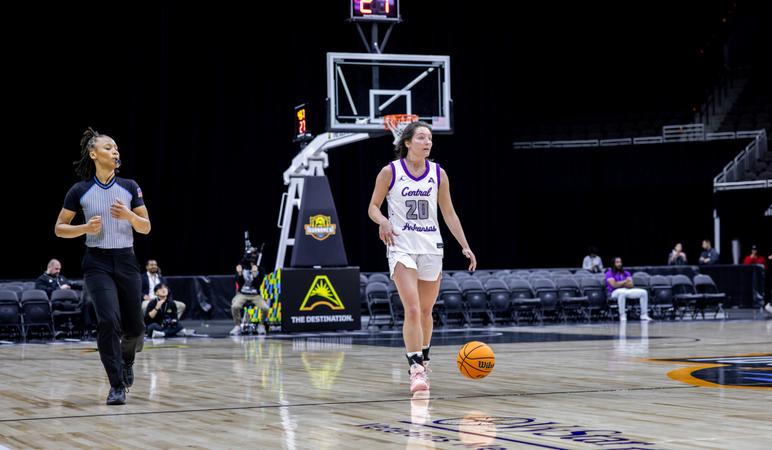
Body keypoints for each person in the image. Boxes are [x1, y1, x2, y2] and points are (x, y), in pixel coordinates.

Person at [367, 120, 477, 393]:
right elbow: (372, 207)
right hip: (401, 245)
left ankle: (424, 361)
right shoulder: (389, 172)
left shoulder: (438, 174)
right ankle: (415, 368)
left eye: (430, 139)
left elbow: (449, 213)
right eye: (421, 138)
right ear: (407, 142)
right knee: (413, 308)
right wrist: (383, 221)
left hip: (431, 245)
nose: (427, 142)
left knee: (427, 311)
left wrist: (465, 245)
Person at [54, 127, 151, 405]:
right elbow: (60, 228)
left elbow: (146, 227)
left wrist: (129, 215)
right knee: (108, 321)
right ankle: (116, 385)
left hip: (126, 260)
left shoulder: (130, 187)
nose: (115, 151)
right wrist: (84, 227)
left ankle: (127, 358)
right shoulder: (79, 190)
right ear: (93, 153)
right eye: (108, 147)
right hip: (96, 262)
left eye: (116, 147)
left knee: (135, 328)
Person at [605, 257, 652, 322]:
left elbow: (631, 285)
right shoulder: (609, 273)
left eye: (620, 262)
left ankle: (643, 315)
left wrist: (620, 283)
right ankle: (622, 315)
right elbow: (614, 285)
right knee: (622, 292)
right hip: (614, 292)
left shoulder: (626, 273)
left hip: (627, 290)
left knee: (643, 292)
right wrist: (625, 282)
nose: (619, 264)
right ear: (613, 264)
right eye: (617, 262)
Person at [228, 262, 269, 336]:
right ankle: (237, 326)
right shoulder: (241, 267)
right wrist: (239, 273)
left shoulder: (260, 269)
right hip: (242, 294)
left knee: (265, 308)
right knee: (235, 306)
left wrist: (255, 274)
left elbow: (258, 284)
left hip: (255, 295)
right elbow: (238, 282)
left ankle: (261, 325)